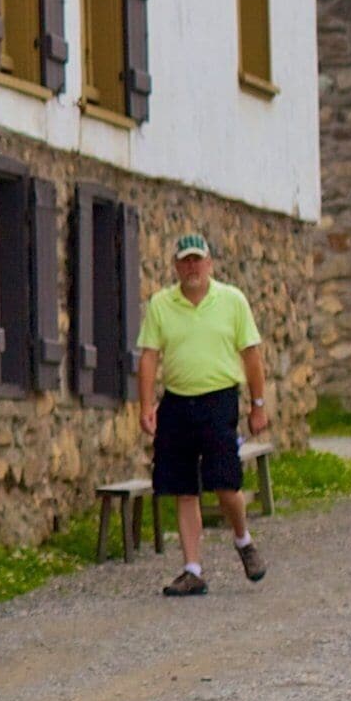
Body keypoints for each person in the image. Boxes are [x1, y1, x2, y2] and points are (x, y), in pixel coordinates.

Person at [135, 231, 272, 596]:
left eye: (198, 260)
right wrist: (146, 405)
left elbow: (252, 355)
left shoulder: (232, 301)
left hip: (219, 399)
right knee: (183, 487)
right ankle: (192, 569)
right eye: (186, 261)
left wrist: (258, 406)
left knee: (225, 481)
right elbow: (149, 356)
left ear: (210, 264)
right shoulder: (162, 304)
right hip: (178, 401)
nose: (192, 267)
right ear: (177, 266)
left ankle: (242, 539)